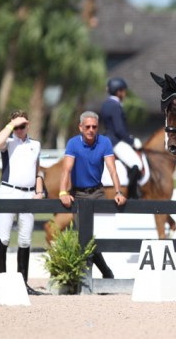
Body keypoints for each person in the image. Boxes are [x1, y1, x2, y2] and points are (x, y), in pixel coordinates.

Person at [59, 111, 127, 279]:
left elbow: (112, 169)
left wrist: (118, 192)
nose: (91, 130)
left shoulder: (104, 142)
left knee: (93, 237)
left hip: (97, 192)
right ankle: (103, 273)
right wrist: (62, 192)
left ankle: (100, 273)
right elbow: (66, 170)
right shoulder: (73, 143)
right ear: (80, 127)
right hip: (79, 194)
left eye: (94, 127)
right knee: (84, 237)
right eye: (87, 127)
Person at [0, 110, 45, 295]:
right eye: (16, 126)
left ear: (28, 125)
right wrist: (11, 125)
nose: (19, 130)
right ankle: (1, 282)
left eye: (22, 126)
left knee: (25, 239)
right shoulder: (8, 142)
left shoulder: (36, 145)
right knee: (4, 236)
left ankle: (23, 284)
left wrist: (39, 191)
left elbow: (37, 170)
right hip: (8, 191)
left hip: (28, 194)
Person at [100, 77, 143, 199]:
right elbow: (119, 129)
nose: (124, 93)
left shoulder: (106, 104)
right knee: (136, 164)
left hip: (108, 138)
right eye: (123, 91)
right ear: (118, 91)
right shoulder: (115, 105)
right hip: (115, 141)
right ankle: (133, 194)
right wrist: (132, 141)